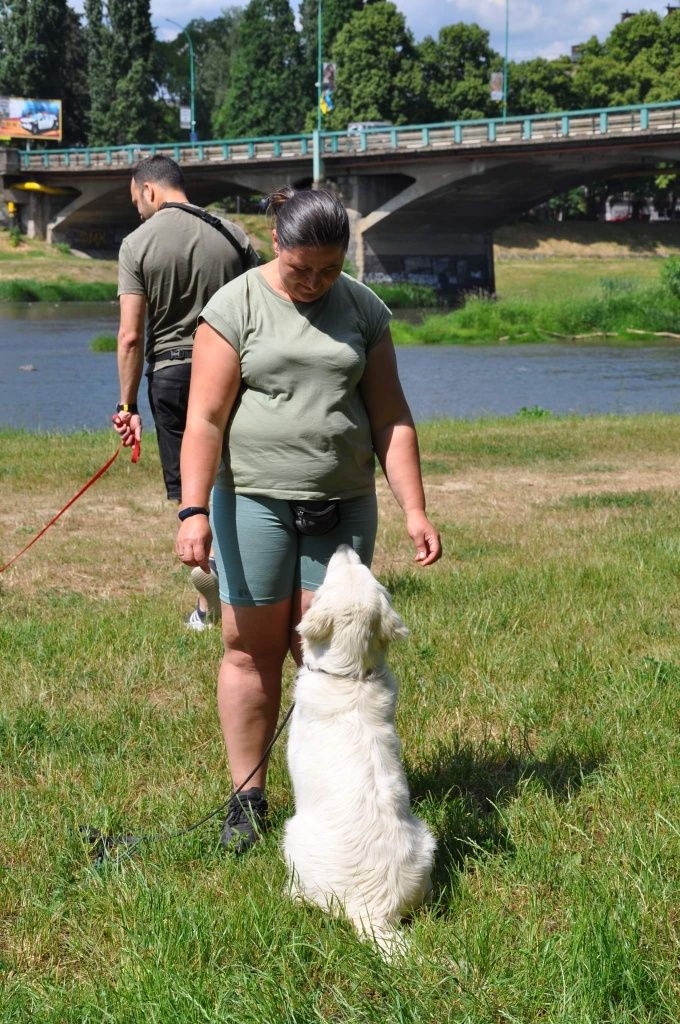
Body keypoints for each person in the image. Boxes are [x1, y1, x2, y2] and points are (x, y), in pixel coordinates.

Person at [176, 186, 442, 853]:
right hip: (253, 502)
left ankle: (340, 793)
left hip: (343, 503)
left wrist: (415, 509)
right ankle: (248, 799)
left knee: (331, 659)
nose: (315, 282)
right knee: (249, 649)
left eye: (328, 269)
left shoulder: (363, 309)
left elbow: (392, 417)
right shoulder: (233, 308)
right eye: (302, 270)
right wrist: (193, 509)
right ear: (276, 243)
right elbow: (204, 419)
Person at [112, 155, 260, 630]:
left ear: (150, 191)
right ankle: (251, 581)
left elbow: (131, 335)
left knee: (191, 492)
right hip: (232, 369)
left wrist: (127, 405)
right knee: (234, 479)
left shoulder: (137, 243)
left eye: (139, 202)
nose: (140, 211)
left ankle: (207, 601)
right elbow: (260, 306)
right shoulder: (234, 234)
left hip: (174, 375)